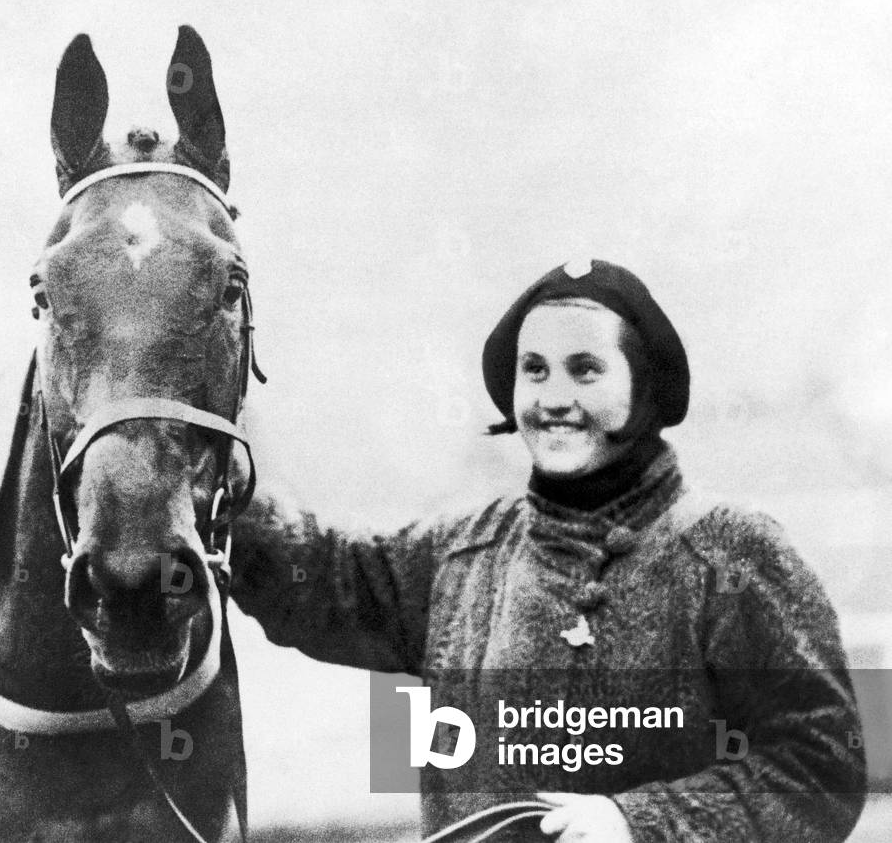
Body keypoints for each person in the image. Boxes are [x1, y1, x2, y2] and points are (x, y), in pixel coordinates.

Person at [230, 260, 866, 842]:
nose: (554, 397)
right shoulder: (463, 554)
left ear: (643, 387)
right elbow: (318, 577)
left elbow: (820, 766)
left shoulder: (730, 554)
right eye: (534, 370)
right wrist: (215, 475)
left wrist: (638, 823)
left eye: (585, 369)